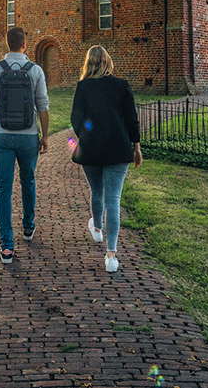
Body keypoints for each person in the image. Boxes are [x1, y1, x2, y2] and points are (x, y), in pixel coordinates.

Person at [0, 26, 50, 265]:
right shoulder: (36, 71)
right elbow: (43, 104)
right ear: (24, 45)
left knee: (4, 188)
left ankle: (7, 246)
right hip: (28, 136)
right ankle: (28, 228)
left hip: (2, 137)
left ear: (6, 44)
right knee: (28, 181)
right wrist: (45, 136)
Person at [69, 45, 142, 272]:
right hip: (118, 149)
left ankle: (98, 229)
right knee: (113, 199)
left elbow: (76, 118)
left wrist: (86, 135)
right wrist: (136, 146)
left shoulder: (83, 87)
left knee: (96, 191)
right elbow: (132, 119)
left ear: (88, 63)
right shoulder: (121, 86)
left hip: (91, 149)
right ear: (108, 62)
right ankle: (111, 255)